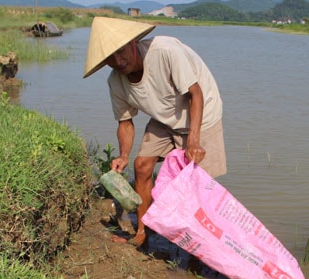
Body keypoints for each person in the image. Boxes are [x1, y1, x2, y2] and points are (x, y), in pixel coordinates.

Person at [84, 17, 227, 247]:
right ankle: (142, 230)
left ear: (132, 43)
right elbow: (125, 122)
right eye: (110, 58)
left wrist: (193, 141)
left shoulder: (165, 52)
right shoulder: (116, 81)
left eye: (121, 52)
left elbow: (195, 94)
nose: (119, 61)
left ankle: (201, 244)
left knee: (197, 183)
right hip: (165, 117)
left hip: (202, 112)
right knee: (141, 166)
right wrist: (123, 156)